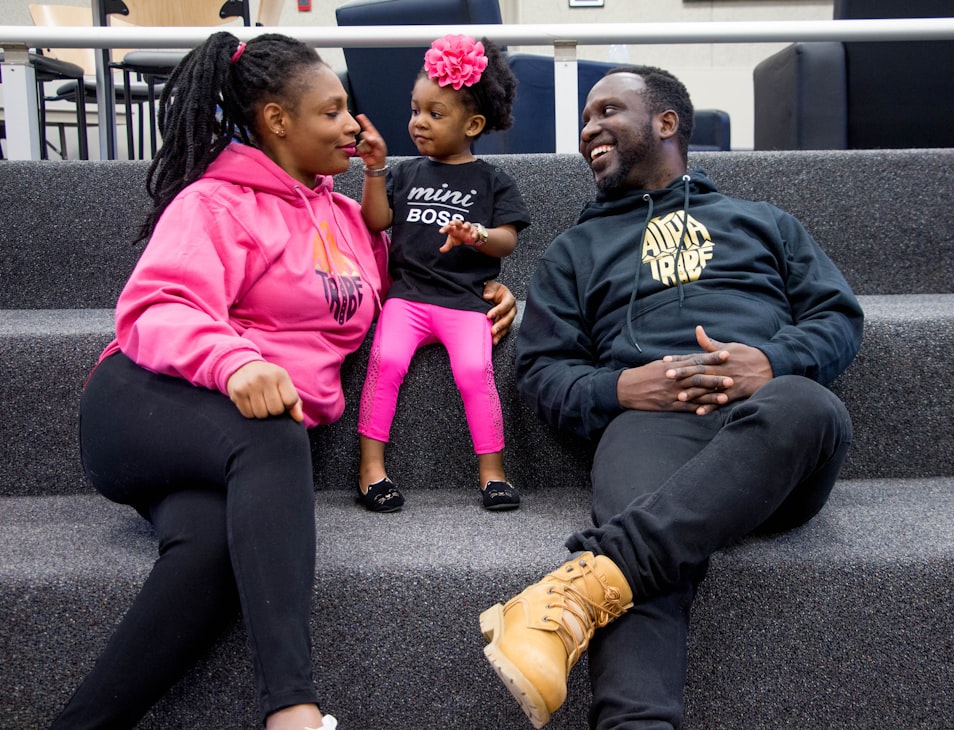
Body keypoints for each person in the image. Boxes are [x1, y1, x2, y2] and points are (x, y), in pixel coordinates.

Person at [49, 32, 516, 730]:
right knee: (276, 433)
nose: (354, 126)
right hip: (143, 404)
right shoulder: (217, 204)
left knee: (211, 553)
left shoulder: (343, 215)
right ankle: (292, 711)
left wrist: (484, 293)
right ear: (277, 121)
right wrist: (237, 361)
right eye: (331, 113)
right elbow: (157, 308)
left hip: (226, 448)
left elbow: (394, 284)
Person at [478, 65, 864, 729]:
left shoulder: (763, 222)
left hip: (770, 427)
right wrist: (623, 386)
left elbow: (837, 318)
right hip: (650, 426)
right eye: (585, 119)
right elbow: (541, 372)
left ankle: (585, 585)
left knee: (810, 406)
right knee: (652, 534)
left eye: (608, 111)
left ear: (666, 123)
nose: (588, 129)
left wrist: (770, 362)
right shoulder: (574, 251)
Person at [353, 34, 530, 513]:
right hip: (407, 298)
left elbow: (508, 239)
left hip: (465, 302)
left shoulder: (493, 181)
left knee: (476, 371)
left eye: (435, 113)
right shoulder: (405, 173)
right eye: (415, 110)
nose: (419, 123)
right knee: (385, 362)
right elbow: (376, 221)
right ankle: (371, 469)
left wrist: (477, 234)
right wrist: (374, 170)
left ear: (472, 123)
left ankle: (493, 473)